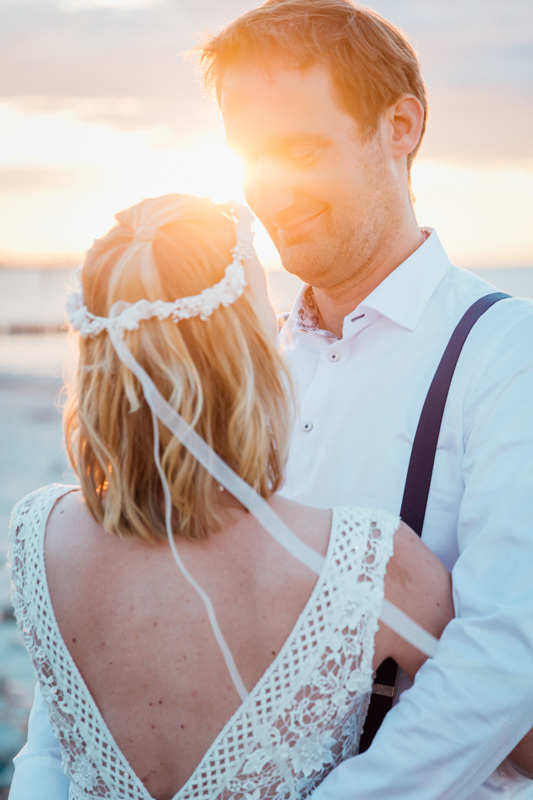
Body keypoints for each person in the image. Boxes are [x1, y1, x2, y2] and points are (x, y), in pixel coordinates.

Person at [9, 1, 533, 798]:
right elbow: (85, 654)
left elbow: (504, 653)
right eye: (251, 156)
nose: (271, 191)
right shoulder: (225, 362)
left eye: (299, 148)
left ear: (401, 128)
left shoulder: (504, 353)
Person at [8, 193, 456, 799]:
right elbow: (514, 741)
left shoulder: (37, 534)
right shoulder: (371, 562)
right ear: (246, 357)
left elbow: (51, 749)